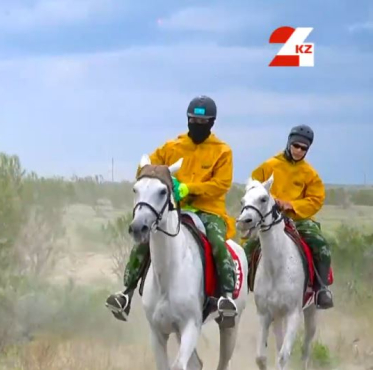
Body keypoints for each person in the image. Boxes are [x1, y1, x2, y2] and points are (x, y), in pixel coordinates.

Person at [105, 95, 239, 323]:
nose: (196, 126)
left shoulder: (222, 151)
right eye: (192, 122)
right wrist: (158, 177)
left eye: (202, 123)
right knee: (145, 240)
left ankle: (226, 297)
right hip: (174, 211)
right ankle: (126, 293)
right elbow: (146, 166)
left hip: (209, 211)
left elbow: (221, 185)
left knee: (217, 243)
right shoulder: (172, 146)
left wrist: (188, 189)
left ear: (211, 123)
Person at [243, 124, 333, 309]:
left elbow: (316, 199)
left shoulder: (310, 173)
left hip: (299, 220)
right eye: (296, 146)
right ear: (289, 143)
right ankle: (243, 286)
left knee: (320, 244)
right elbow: (253, 187)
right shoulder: (269, 166)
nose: (299, 151)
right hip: (269, 219)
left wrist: (292, 205)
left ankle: (321, 289)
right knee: (248, 247)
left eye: (304, 148)